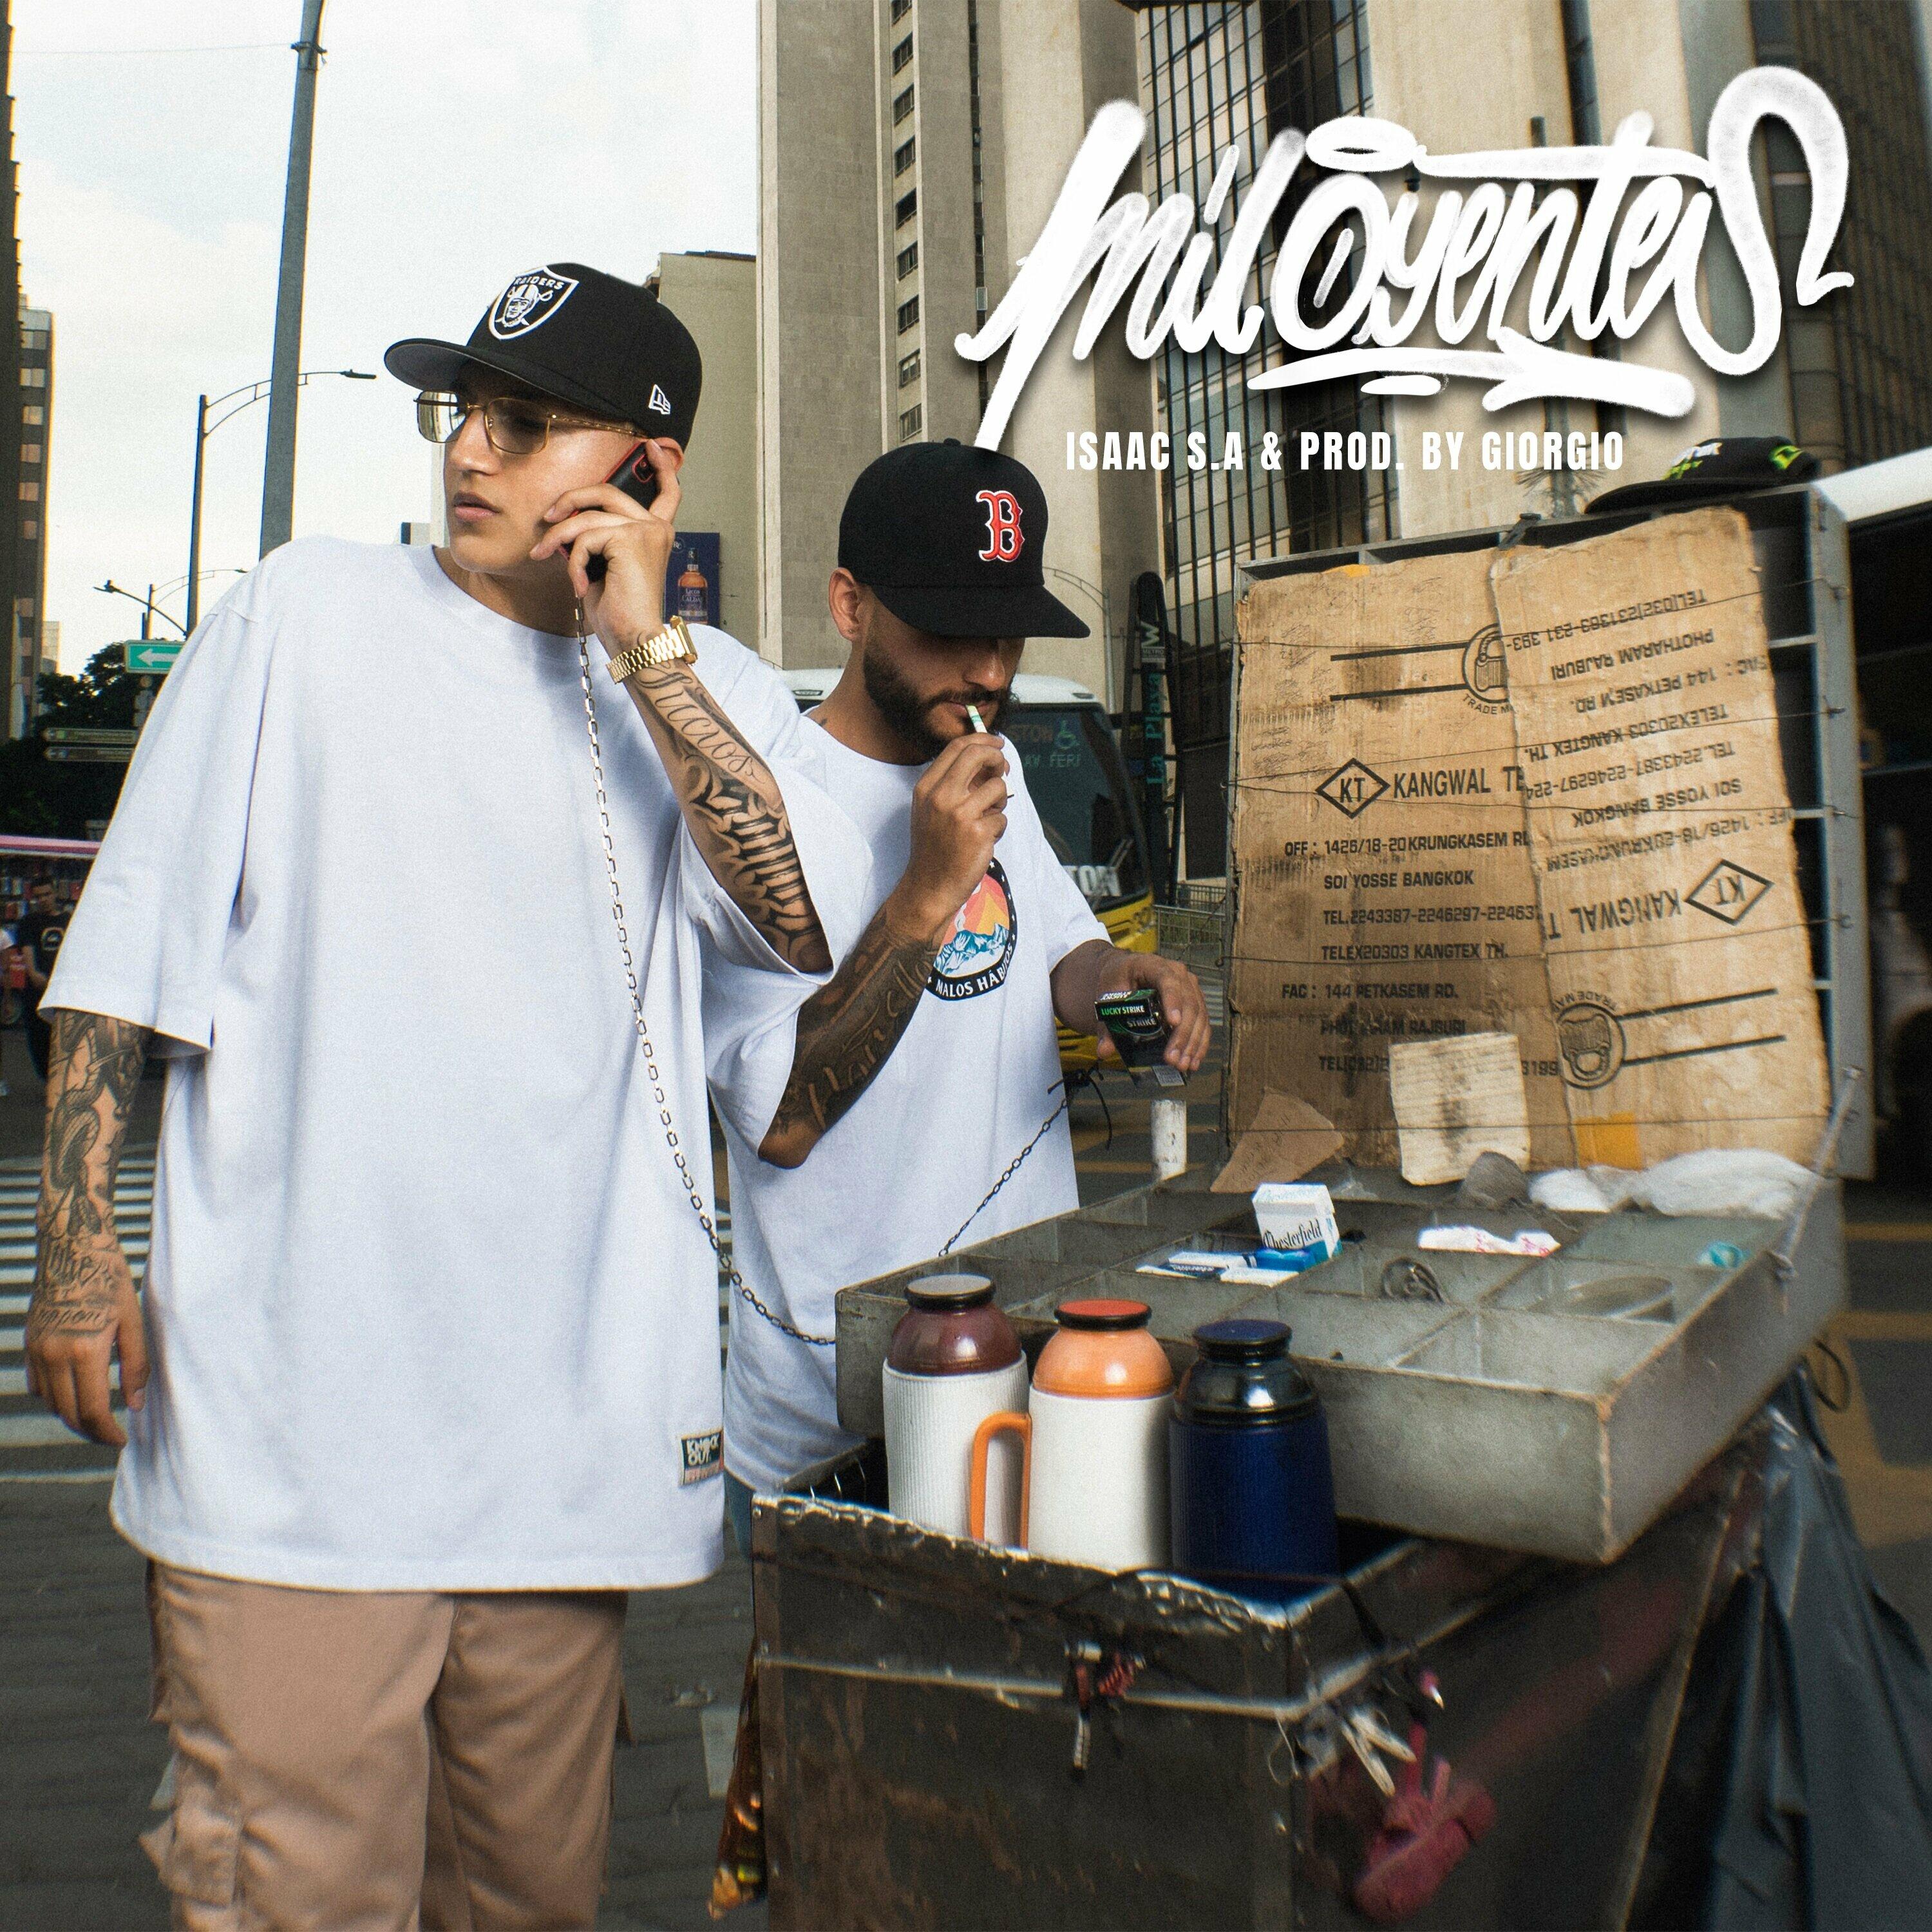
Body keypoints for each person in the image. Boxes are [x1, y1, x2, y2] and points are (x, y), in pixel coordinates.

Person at [23, 261, 871, 1930]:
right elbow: (125, 959)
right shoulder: (304, 616)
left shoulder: (699, 685)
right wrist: (73, 1252)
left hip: (562, 1476)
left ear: (648, 472)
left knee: (525, 1903)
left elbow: (803, 922)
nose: (471, 450)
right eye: (462, 409)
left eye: (527, 422)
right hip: (291, 1459)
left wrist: (647, 652)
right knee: (298, 1901)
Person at [709, 441, 1211, 1547]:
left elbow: (1060, 955)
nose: (988, 670)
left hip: (1026, 1357)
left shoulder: (996, 766)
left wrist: (1125, 982)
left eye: (1008, 633)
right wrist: (927, 890)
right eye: (947, 630)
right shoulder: (759, 810)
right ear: (851, 606)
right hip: (839, 1413)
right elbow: (781, 1120)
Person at [15, 875, 68, 1084]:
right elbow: (27, 950)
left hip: (63, 991)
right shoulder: (29, 922)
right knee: (39, 1041)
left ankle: (62, 1081)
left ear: (55, 893)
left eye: (47, 894)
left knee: (65, 1039)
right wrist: (34, 973)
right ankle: (48, 1080)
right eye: (39, 896)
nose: (44, 899)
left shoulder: (68, 920)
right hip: (37, 993)